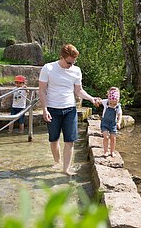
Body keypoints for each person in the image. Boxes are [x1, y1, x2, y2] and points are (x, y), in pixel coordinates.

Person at [38, 44, 98, 176]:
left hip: (70, 109)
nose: (71, 65)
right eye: (69, 62)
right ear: (62, 57)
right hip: (53, 109)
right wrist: (44, 109)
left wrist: (91, 98)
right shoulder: (48, 68)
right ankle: (57, 162)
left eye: (73, 62)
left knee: (69, 140)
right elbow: (42, 91)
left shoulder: (76, 70)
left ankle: (66, 169)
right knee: (53, 139)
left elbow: (78, 90)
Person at [99, 87, 122, 158]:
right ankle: (105, 151)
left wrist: (119, 122)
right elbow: (99, 102)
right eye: (111, 103)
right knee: (105, 137)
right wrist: (96, 101)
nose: (113, 105)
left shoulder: (118, 106)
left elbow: (119, 115)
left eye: (114, 104)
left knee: (113, 138)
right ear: (109, 100)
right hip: (105, 123)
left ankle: (112, 151)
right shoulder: (106, 102)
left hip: (113, 123)